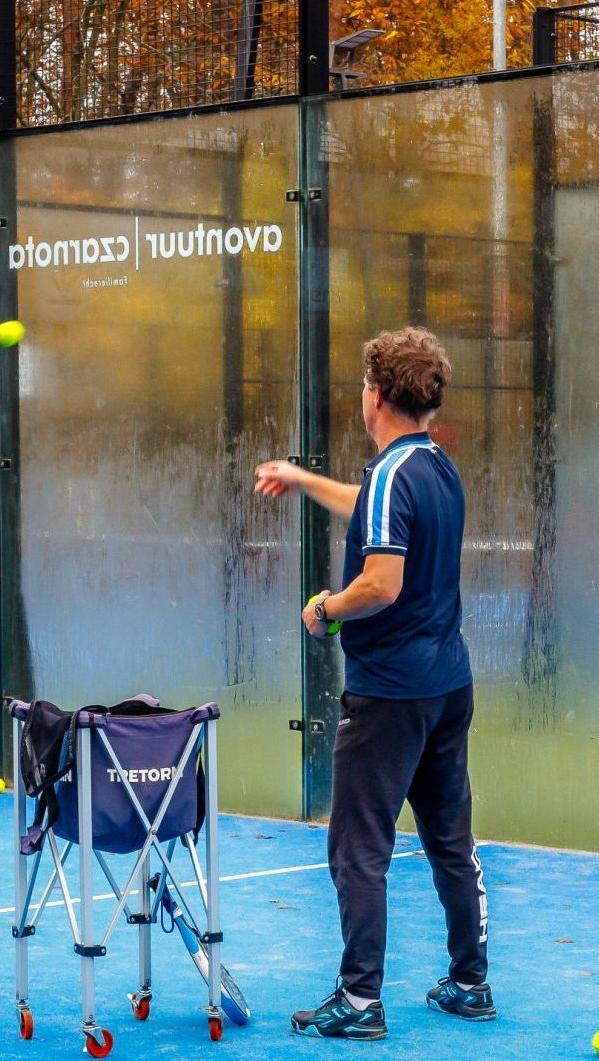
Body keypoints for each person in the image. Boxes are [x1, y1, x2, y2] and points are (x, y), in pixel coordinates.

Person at [254, 327, 493, 1040]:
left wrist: (325, 609)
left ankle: (359, 1001)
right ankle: (470, 983)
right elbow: (369, 501)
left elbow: (381, 583)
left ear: (377, 395)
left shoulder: (394, 475)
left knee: (357, 847)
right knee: (450, 839)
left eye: (364, 384)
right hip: (447, 686)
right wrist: (302, 479)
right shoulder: (434, 467)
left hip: (390, 693)